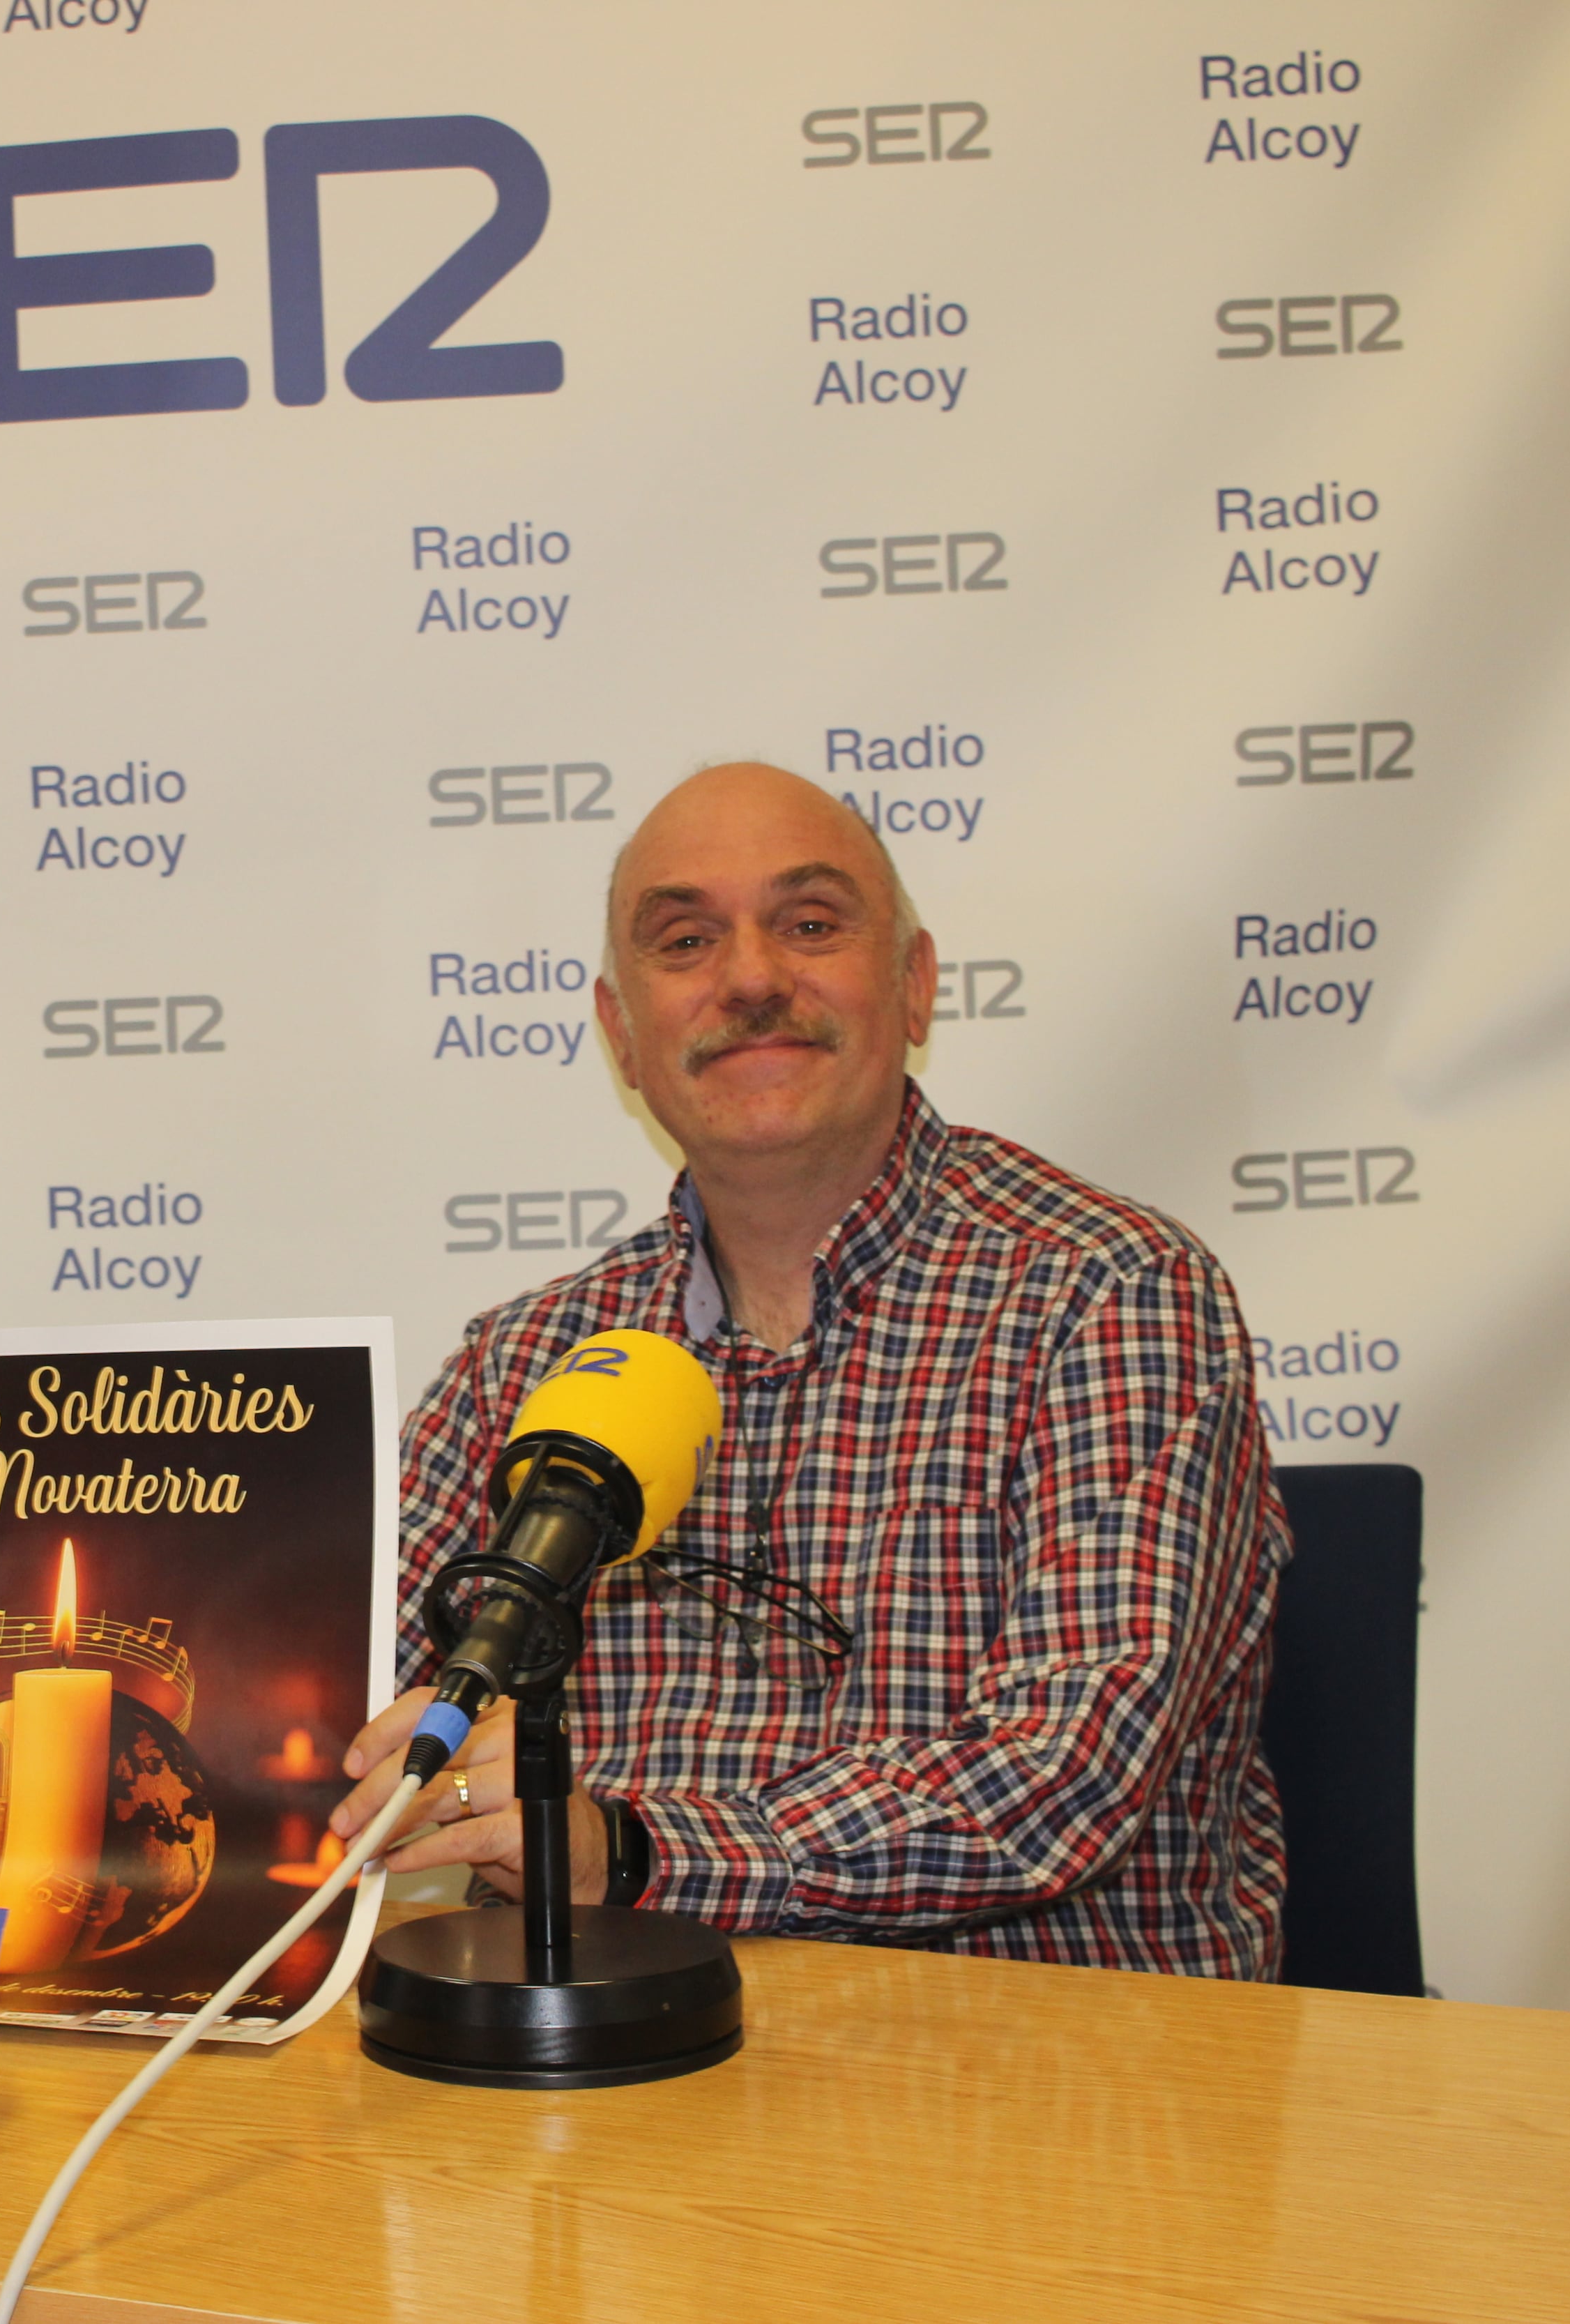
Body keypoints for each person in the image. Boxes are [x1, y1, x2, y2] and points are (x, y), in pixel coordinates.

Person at [325, 761, 1291, 1975]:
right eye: (683, 940)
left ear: (917, 984)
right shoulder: (520, 1363)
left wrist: (623, 1851)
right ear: (622, 1036)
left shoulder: (1106, 1294)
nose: (749, 978)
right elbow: (324, 1711)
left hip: (1044, 2081)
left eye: (811, 924)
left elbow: (1064, 1772)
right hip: (615, 2089)